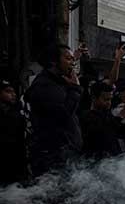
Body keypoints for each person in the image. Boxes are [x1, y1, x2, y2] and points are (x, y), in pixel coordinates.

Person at [24, 44, 83, 175]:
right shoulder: (44, 86)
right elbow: (63, 116)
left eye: (73, 59)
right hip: (54, 156)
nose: (72, 63)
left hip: (66, 153)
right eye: (68, 59)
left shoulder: (60, 83)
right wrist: (74, 89)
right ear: (53, 61)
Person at [81, 82, 125, 159]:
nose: (109, 103)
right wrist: (120, 117)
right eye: (106, 99)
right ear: (94, 98)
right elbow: (102, 132)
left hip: (112, 161)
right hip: (95, 161)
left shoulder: (107, 115)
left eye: (110, 99)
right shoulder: (86, 116)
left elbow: (124, 133)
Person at [0, 79, 28, 185]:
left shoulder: (18, 112)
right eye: (8, 91)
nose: (13, 95)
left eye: (14, 92)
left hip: (17, 161)